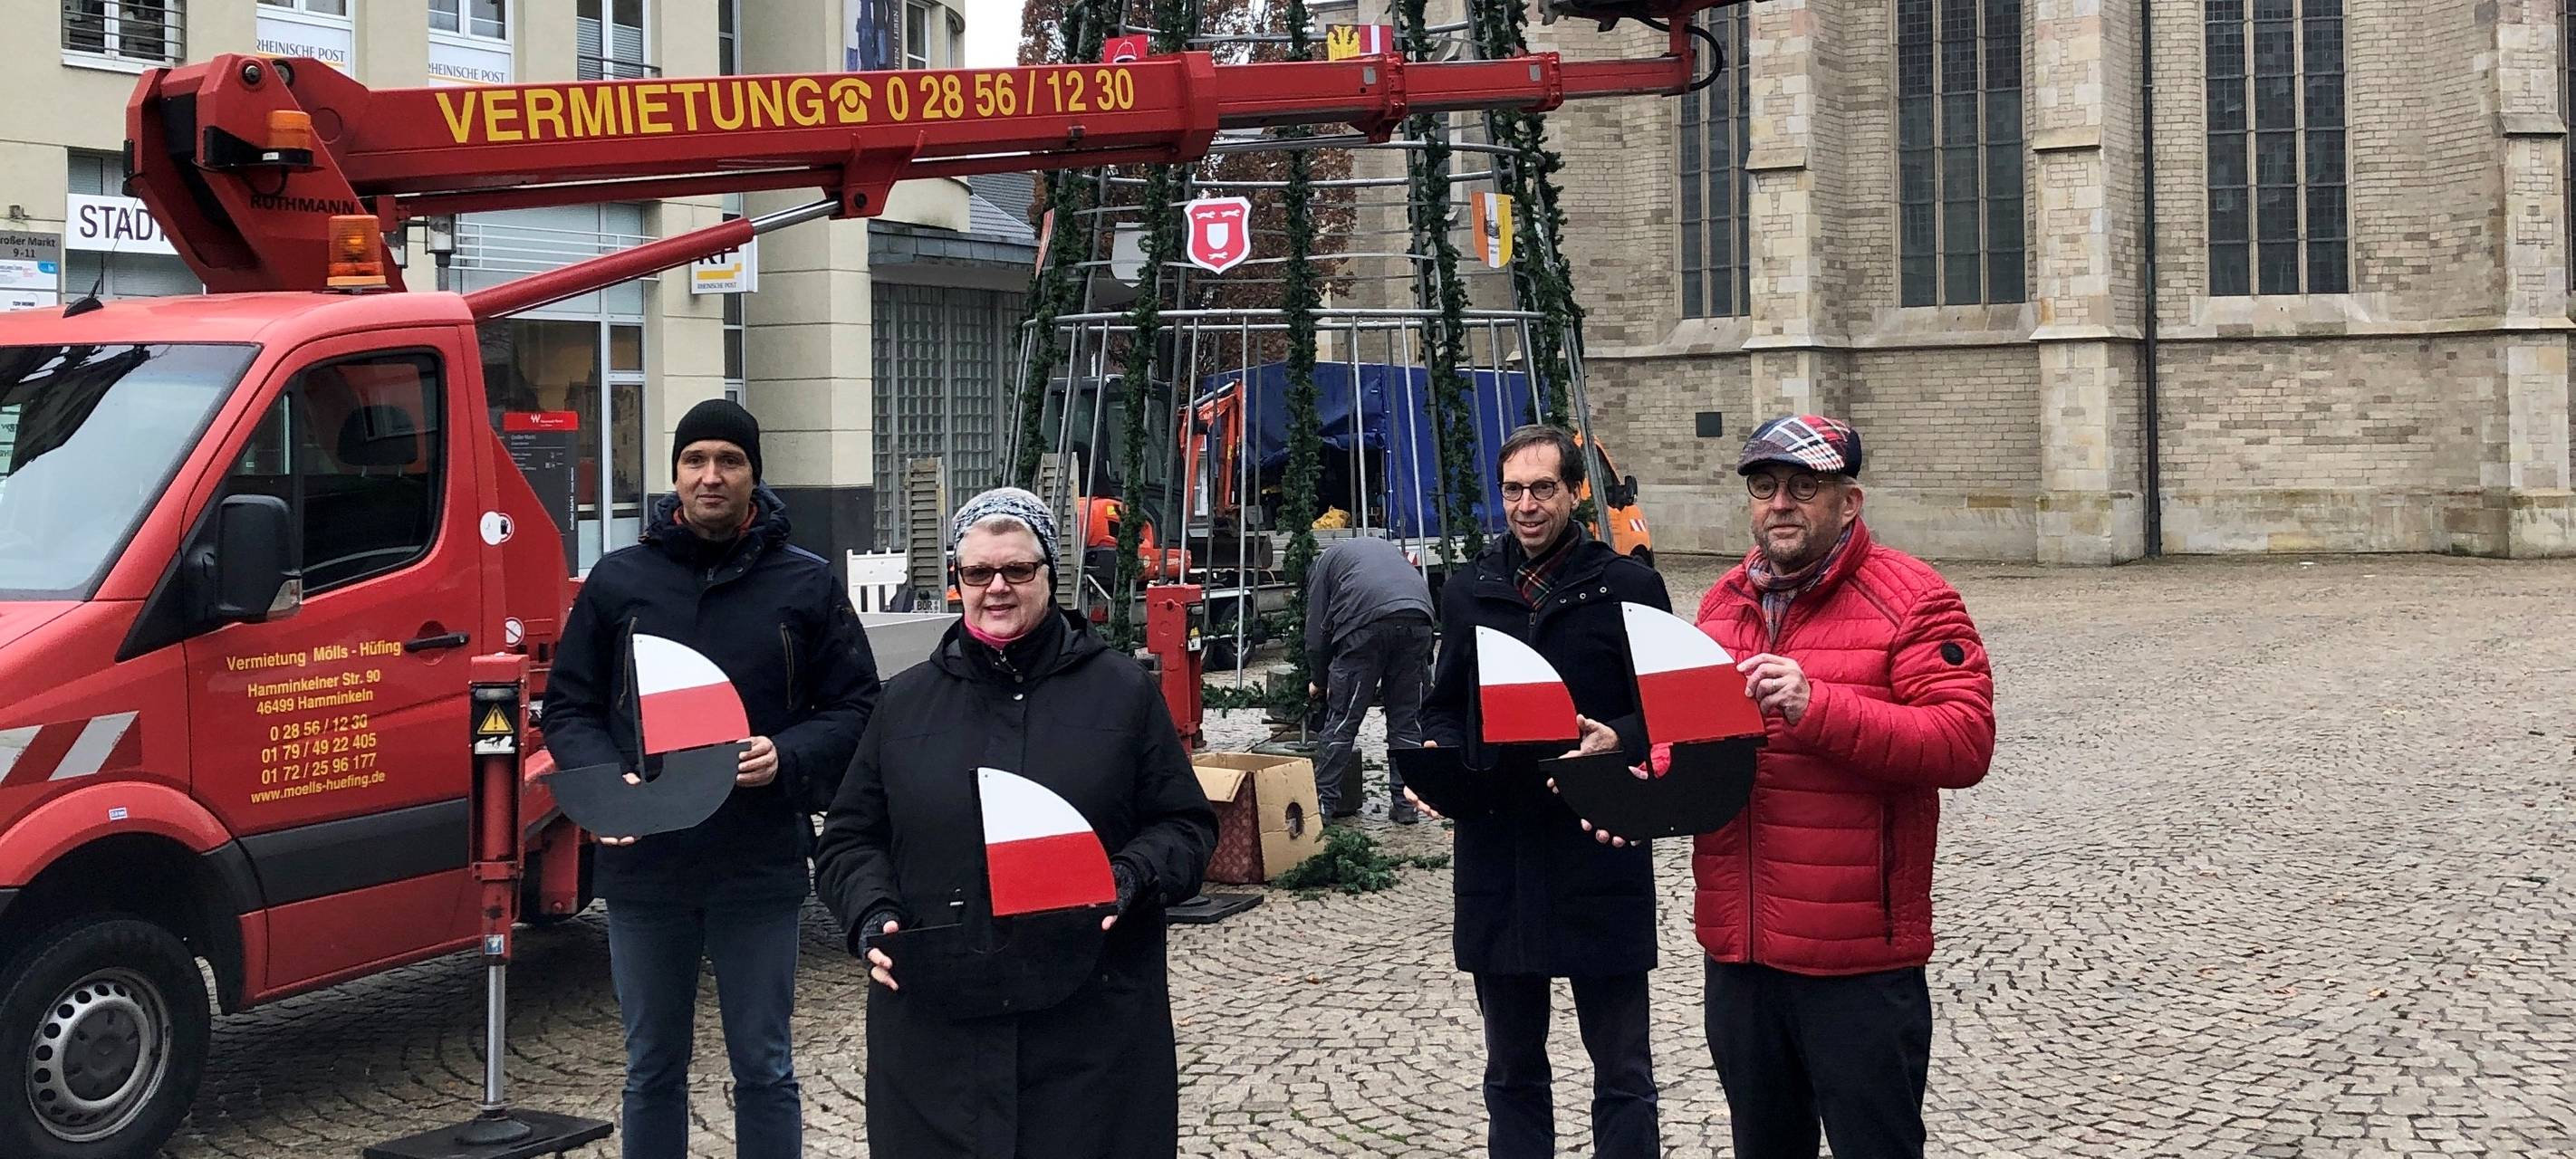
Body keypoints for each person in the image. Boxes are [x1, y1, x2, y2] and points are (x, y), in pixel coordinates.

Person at [814, 486, 1217, 1159]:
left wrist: (1126, 876)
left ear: (1049, 576)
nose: (996, 587)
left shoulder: (1122, 692)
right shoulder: (905, 704)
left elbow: (1184, 826)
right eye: (977, 572)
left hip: (1092, 1031)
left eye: (1018, 570)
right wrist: (869, 912)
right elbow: (850, 839)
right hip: (937, 1031)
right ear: (956, 582)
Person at [541, 398, 882, 1159]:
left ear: (755, 477)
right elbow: (567, 707)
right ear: (674, 476)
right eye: (696, 460)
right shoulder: (619, 582)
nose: (711, 476)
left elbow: (860, 706)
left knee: (764, 1066)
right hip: (645, 865)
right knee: (651, 1068)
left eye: (729, 460)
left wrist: (787, 755)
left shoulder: (806, 584)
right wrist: (604, 782)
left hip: (756, 862)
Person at [1687, 414, 1996, 1159]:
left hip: (1857, 961)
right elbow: (1694, 747)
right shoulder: (1720, 604)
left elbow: (1963, 742)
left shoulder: (1916, 598)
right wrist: (1632, 761)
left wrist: (1816, 704)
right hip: (1741, 955)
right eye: (1765, 487)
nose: (1781, 503)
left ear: (1848, 502)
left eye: (1804, 486)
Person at [1414, 424, 1670, 1159]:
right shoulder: (1469, 590)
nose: (1526, 506)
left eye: (1544, 489)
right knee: (1512, 1071)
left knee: (1622, 1070)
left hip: (1600, 842)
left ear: (1577, 491)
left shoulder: (1628, 585)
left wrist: (1619, 736)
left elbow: (1668, 709)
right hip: (1502, 852)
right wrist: (1438, 752)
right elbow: (1444, 702)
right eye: (1513, 491)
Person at [1304, 534, 1436, 823]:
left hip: (1364, 626)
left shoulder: (1322, 566)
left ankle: (1322, 808)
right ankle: (1405, 806)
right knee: (1407, 721)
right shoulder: (1383, 551)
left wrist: (1319, 679)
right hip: (1419, 619)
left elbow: (1317, 634)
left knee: (1342, 720)